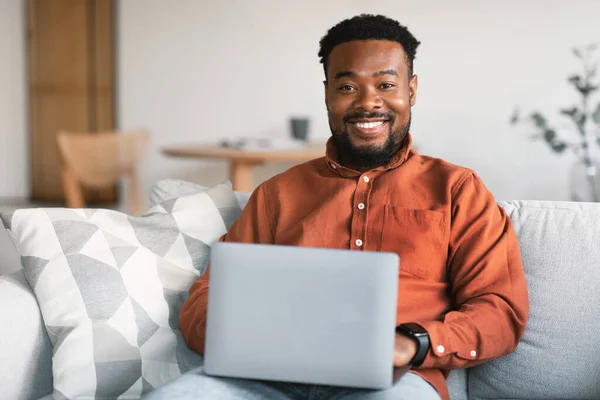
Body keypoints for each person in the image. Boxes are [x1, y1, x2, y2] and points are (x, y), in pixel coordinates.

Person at [148, 14, 529, 400]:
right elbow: (207, 296)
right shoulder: (277, 194)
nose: (368, 102)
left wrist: (413, 342)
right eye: (348, 86)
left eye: (386, 84)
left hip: (393, 382)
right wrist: (245, 337)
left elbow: (500, 311)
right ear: (327, 92)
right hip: (260, 377)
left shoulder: (457, 190)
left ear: (411, 91)